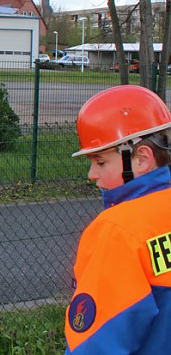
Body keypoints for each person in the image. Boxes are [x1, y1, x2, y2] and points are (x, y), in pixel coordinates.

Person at [66, 85, 171, 354]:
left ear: (141, 158)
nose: (91, 173)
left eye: (100, 162)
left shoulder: (117, 229)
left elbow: (96, 344)